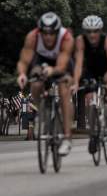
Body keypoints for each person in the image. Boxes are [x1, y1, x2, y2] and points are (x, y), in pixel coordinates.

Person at [17, 12, 75, 155]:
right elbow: (24, 61)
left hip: (62, 63)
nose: (48, 36)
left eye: (52, 33)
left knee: (63, 90)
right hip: (42, 60)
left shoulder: (66, 37)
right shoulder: (33, 36)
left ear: (57, 31)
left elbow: (61, 66)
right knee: (35, 83)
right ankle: (43, 111)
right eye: (45, 33)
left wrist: (52, 71)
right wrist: (22, 74)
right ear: (40, 31)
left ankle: (67, 138)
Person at [73, 14, 107, 148]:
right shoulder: (80, 40)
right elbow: (79, 64)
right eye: (89, 32)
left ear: (100, 31)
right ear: (85, 32)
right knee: (89, 98)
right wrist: (75, 82)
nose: (92, 35)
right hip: (90, 70)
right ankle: (92, 133)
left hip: (104, 69)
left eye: (96, 31)